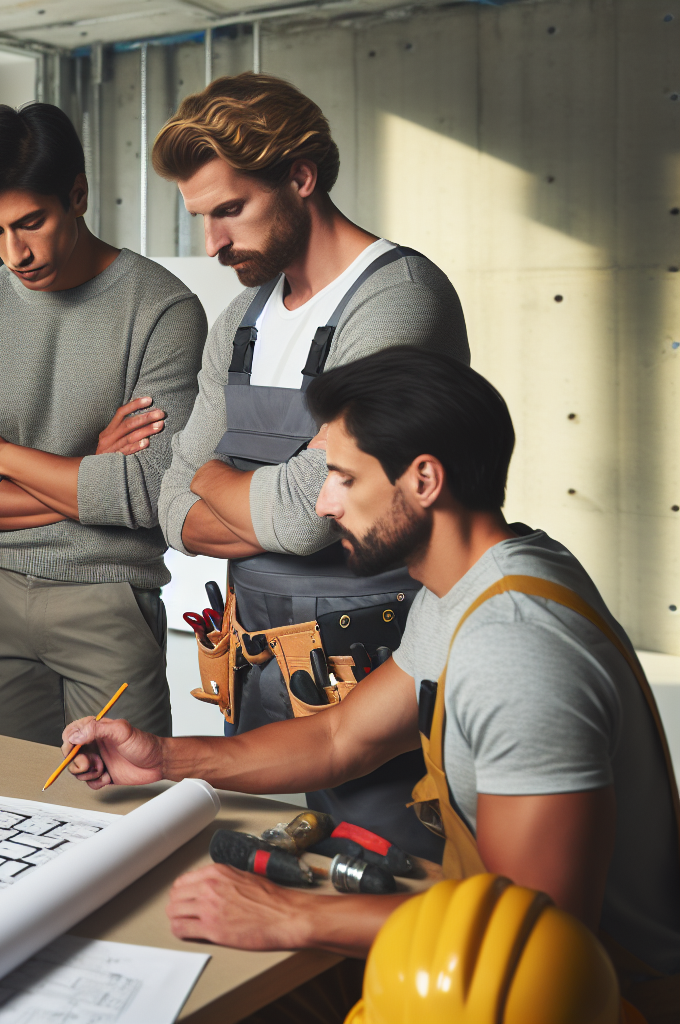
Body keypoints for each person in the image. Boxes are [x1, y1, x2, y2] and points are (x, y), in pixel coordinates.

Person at [64, 348, 680, 1022]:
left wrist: (291, 914)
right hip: (474, 963)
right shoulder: (468, 583)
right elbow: (341, 737)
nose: (324, 505)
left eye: (342, 478)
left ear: (423, 480)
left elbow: (532, 941)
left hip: (578, 996)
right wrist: (163, 758)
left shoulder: (513, 651)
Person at [153, 73, 468, 860]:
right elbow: (171, 499)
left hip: (375, 654)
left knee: (385, 866)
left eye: (231, 211)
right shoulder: (243, 318)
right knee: (258, 860)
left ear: (301, 178)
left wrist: (224, 488)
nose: (213, 244)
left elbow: (299, 515)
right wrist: (264, 506)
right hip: (253, 648)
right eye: (203, 219)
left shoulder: (396, 300)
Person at [0, 103, 206, 743]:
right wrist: (88, 471)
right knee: (13, 805)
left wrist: (2, 455)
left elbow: (149, 492)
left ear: (78, 194)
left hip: (108, 593)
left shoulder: (162, 310)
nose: (15, 253)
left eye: (30, 223)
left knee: (127, 808)